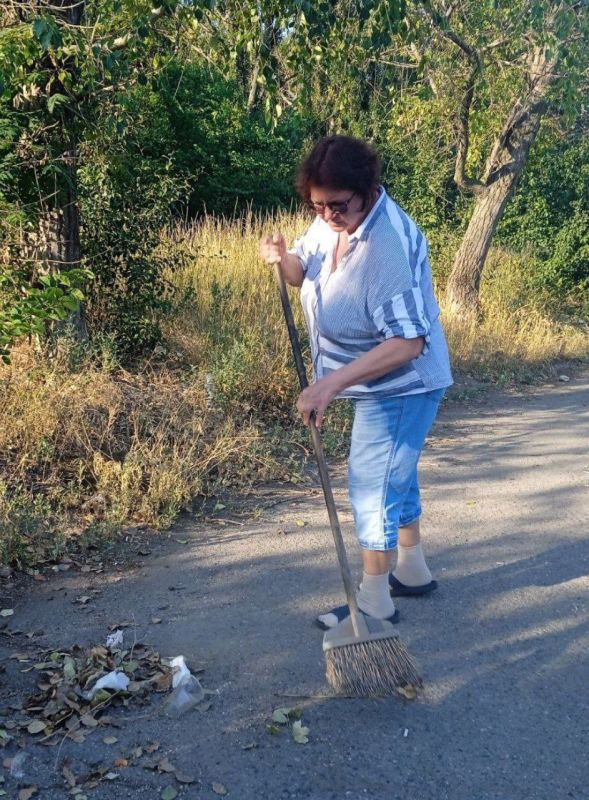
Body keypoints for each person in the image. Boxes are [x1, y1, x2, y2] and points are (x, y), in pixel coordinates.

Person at [259, 136, 453, 629]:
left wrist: (327, 386)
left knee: (372, 485)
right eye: (316, 205)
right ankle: (410, 570)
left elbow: (408, 342)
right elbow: (302, 271)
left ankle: (373, 600)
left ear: (367, 190)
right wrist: (281, 258)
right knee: (394, 474)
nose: (326, 215)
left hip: (404, 382)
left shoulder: (386, 244)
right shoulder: (332, 222)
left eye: (336, 205)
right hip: (368, 381)